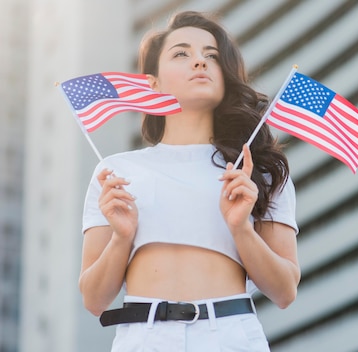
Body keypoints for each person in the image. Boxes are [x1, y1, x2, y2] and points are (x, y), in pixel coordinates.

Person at [78, 11, 300, 352]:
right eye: (182, 53)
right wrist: (122, 238)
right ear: (153, 83)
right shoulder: (115, 173)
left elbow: (285, 291)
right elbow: (94, 299)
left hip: (230, 334)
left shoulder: (255, 170)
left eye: (211, 56)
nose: (200, 62)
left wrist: (241, 229)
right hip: (143, 337)